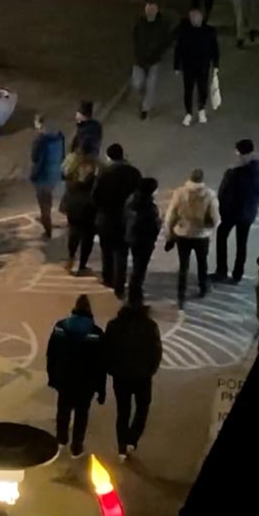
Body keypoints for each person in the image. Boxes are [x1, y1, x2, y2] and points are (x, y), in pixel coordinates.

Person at [46, 295, 106, 459]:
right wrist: (101, 389)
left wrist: (52, 375)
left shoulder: (60, 327)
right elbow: (101, 364)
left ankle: (61, 440)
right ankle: (76, 447)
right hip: (86, 382)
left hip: (64, 378)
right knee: (81, 414)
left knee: (63, 410)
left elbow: (51, 354)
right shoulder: (96, 333)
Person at [104, 300, 163, 461]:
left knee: (123, 412)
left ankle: (121, 448)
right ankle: (132, 439)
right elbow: (156, 350)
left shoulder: (114, 325)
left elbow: (106, 349)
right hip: (142, 377)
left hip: (121, 376)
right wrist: (151, 370)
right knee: (142, 408)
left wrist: (111, 369)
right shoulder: (150, 326)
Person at [215, 138, 259, 284]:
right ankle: (237, 273)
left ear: (239, 152)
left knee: (222, 235)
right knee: (242, 242)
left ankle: (221, 270)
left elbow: (223, 193)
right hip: (248, 212)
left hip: (231, 212)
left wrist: (223, 209)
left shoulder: (234, 172)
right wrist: (254, 205)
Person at [163, 168, 221, 305]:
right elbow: (216, 219)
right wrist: (209, 229)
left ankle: (181, 294)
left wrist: (169, 235)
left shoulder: (180, 192)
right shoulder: (210, 195)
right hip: (201, 236)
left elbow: (170, 216)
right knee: (202, 263)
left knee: (184, 265)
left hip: (183, 233)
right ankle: (202, 288)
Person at [92, 144, 143, 296]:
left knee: (106, 249)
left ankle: (108, 278)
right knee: (121, 252)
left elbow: (95, 196)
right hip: (126, 219)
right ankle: (119, 284)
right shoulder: (134, 172)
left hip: (107, 218)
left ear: (109, 157)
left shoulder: (104, 173)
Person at [131, 0, 177, 120]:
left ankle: (145, 109)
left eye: (152, 10)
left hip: (154, 60)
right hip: (139, 59)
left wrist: (159, 50)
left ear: (156, 11)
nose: (150, 12)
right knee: (137, 84)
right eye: (148, 9)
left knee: (151, 85)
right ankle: (143, 97)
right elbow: (135, 36)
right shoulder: (140, 23)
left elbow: (167, 40)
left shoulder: (162, 25)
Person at [175, 7, 220, 127]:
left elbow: (215, 49)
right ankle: (188, 112)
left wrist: (216, 64)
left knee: (202, 88)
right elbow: (179, 49)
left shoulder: (209, 31)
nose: (196, 20)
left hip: (203, 66)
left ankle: (201, 109)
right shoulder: (185, 32)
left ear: (201, 18)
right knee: (188, 90)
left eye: (197, 18)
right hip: (188, 66)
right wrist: (177, 66)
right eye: (193, 18)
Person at [124, 178, 163, 305]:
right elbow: (154, 226)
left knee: (137, 267)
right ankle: (135, 299)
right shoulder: (149, 208)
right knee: (139, 270)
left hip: (133, 238)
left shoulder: (131, 202)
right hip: (145, 241)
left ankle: (134, 295)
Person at [61, 150, 100, 274]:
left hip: (72, 206)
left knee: (73, 232)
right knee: (87, 236)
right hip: (88, 208)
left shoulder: (71, 167)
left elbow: (64, 176)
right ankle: (82, 265)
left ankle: (71, 257)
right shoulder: (94, 171)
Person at [30, 115, 66, 239]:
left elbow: (34, 157)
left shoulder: (40, 140)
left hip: (42, 175)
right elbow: (63, 155)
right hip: (54, 173)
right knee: (48, 199)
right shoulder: (59, 137)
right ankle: (47, 217)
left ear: (40, 124)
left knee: (43, 203)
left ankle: (47, 229)